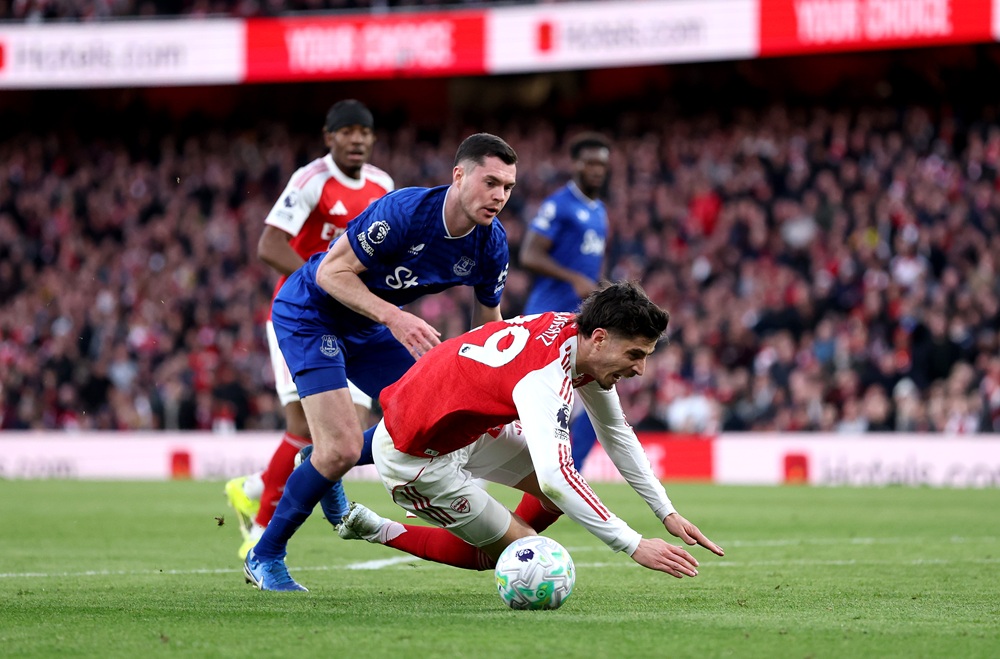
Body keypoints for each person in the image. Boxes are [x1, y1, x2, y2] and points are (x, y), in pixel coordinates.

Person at [243, 132, 519, 591]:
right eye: (490, 181)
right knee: (343, 448)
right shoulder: (405, 213)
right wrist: (395, 317)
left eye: (508, 187)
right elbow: (332, 271)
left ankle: (317, 461)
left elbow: (488, 322)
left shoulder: (490, 245)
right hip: (313, 312)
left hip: (367, 325)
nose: (499, 196)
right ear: (459, 175)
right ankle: (265, 554)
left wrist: (490, 383)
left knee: (437, 409)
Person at [338, 282, 724, 579]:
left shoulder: (579, 340)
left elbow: (616, 434)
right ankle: (378, 529)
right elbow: (556, 477)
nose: (639, 370)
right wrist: (633, 544)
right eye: (635, 355)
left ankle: (510, 535)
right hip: (416, 459)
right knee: (519, 553)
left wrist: (665, 511)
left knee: (556, 500)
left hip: (466, 430)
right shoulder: (546, 376)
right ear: (601, 337)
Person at [225, 100, 394, 560]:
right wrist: (321, 285)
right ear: (329, 136)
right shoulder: (310, 180)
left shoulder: (383, 185)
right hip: (300, 315)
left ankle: (258, 486)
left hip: (352, 318)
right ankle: (259, 528)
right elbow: (268, 244)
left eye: (365, 131)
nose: (357, 139)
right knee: (303, 424)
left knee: (351, 425)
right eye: (348, 131)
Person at [520, 132, 612, 471]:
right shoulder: (559, 204)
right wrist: (572, 278)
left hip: (581, 321)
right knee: (539, 403)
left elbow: (593, 265)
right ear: (575, 165)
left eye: (602, 163)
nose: (597, 170)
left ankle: (571, 472)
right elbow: (529, 253)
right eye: (590, 163)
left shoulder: (600, 211)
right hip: (546, 317)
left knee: (598, 399)